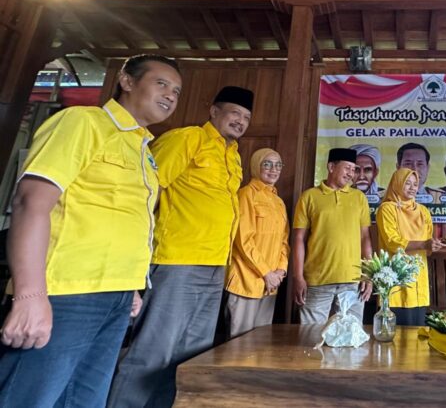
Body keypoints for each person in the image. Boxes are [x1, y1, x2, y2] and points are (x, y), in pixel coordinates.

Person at [0, 55, 181, 407]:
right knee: (30, 398)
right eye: (161, 83)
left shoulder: (143, 150)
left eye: (176, 90)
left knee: (85, 400)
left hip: (117, 295)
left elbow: (125, 220)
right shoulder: (83, 122)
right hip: (67, 292)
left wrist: (131, 285)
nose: (171, 95)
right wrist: (29, 295)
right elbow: (30, 202)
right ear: (127, 81)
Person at [109, 86, 254, 407]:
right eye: (234, 113)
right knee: (154, 351)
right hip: (178, 261)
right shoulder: (187, 139)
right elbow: (146, 190)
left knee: (190, 354)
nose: (241, 121)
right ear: (214, 111)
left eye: (246, 117)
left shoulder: (233, 155)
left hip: (215, 264)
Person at [292, 148, 373, 323]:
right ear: (331, 167)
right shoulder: (309, 197)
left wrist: (368, 274)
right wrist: (298, 277)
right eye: (347, 168)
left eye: (353, 169)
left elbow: (365, 237)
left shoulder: (359, 198)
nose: (351, 174)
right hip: (316, 281)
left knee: (351, 334)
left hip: (353, 281)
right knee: (310, 334)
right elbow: (298, 239)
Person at [225, 148, 289, 338]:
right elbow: (243, 239)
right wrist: (266, 273)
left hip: (271, 284)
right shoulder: (246, 194)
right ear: (256, 166)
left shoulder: (278, 202)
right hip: (246, 281)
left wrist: (280, 271)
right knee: (239, 343)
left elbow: (284, 241)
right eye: (267, 164)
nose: (273, 169)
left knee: (261, 343)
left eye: (278, 165)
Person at [376, 168, 444, 325]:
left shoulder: (423, 211)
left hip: (418, 274)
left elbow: (428, 244)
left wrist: (434, 245)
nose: (412, 187)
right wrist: (423, 244)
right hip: (395, 276)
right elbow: (392, 242)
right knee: (396, 330)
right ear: (397, 183)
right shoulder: (387, 209)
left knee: (417, 328)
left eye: (415, 184)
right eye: (407, 183)